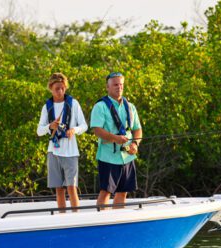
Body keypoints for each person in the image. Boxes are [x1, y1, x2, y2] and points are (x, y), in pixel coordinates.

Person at [89, 71, 143, 209]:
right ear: (107, 87)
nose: (119, 87)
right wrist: (115, 138)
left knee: (123, 192)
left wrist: (135, 144)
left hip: (127, 156)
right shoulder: (100, 106)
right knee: (105, 191)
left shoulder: (130, 106)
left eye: (121, 84)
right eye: (115, 85)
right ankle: (101, 219)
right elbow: (97, 130)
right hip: (108, 157)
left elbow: (137, 129)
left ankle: (117, 219)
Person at [36, 72, 87, 212]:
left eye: (63, 88)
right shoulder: (47, 107)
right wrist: (50, 126)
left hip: (71, 152)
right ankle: (62, 217)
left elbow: (84, 125)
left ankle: (76, 218)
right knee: (59, 189)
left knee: (72, 187)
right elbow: (39, 131)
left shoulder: (73, 103)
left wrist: (74, 130)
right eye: (57, 88)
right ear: (51, 88)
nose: (60, 91)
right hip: (53, 151)